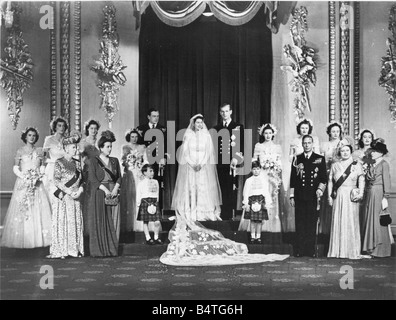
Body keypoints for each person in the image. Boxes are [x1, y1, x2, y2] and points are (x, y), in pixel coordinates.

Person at [1, 127, 52, 249]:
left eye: (34, 135)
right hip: (23, 183)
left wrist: (39, 175)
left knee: (37, 208)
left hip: (37, 183)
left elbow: (42, 165)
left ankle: (39, 239)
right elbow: (15, 167)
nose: (32, 137)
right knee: (25, 209)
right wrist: (24, 177)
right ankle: (24, 239)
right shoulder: (20, 151)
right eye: (30, 135)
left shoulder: (39, 151)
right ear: (25, 137)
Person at [172, 114, 222, 221]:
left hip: (202, 167)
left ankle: (202, 212)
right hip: (191, 166)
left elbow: (208, 152)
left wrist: (202, 163)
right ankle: (190, 211)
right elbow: (185, 152)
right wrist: (191, 163)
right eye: (197, 122)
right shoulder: (188, 135)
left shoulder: (206, 136)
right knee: (191, 187)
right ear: (193, 124)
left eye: (201, 122)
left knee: (202, 188)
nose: (199, 124)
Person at [327, 138, 367, 259]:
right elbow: (329, 181)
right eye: (342, 151)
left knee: (350, 221)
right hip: (339, 195)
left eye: (347, 150)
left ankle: (351, 251)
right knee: (338, 220)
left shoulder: (356, 164)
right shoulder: (335, 165)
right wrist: (329, 196)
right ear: (339, 152)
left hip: (351, 195)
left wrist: (360, 193)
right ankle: (337, 251)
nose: (345, 152)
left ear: (351, 151)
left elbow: (361, 179)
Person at [47, 131, 84, 259]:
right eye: (74, 147)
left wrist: (79, 191)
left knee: (75, 223)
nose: (76, 149)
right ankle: (63, 250)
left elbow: (82, 180)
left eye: (76, 147)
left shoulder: (78, 163)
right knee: (64, 223)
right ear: (66, 148)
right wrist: (69, 192)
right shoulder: (59, 162)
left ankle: (75, 250)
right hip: (63, 196)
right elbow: (56, 180)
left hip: (76, 197)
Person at [290, 135, 327, 257]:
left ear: (312, 144)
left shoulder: (320, 159)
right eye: (304, 143)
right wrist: (291, 196)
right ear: (302, 144)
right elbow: (293, 179)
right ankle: (300, 249)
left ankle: (310, 250)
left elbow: (323, 178)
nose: (306, 145)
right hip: (300, 196)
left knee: (311, 223)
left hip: (313, 197)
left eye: (309, 143)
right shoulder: (297, 158)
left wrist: (320, 191)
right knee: (300, 223)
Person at [85, 130, 121, 257]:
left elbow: (119, 177)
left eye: (111, 146)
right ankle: (101, 250)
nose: (110, 149)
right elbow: (93, 179)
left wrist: (115, 189)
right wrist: (106, 191)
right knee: (101, 221)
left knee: (113, 221)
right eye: (107, 146)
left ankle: (112, 249)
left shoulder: (115, 161)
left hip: (113, 191)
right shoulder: (94, 161)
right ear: (101, 147)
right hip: (100, 193)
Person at [244, 123, 282, 232]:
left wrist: (275, 166)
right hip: (262, 175)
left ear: (273, 134)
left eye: (270, 133)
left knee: (272, 197)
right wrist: (261, 167)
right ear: (263, 134)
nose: (268, 135)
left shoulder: (277, 147)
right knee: (260, 197)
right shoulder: (259, 146)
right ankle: (258, 224)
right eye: (266, 133)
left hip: (273, 176)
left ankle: (272, 225)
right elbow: (254, 161)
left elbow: (279, 162)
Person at [212, 103, 244, 220]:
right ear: (220, 113)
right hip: (220, 163)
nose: (224, 114)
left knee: (232, 187)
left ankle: (230, 215)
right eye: (222, 112)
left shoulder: (238, 126)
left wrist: (236, 157)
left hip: (232, 163)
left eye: (227, 111)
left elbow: (241, 144)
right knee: (220, 187)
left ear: (231, 112)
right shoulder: (216, 128)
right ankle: (221, 213)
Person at [362, 139, 392, 258]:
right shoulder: (371, 163)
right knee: (370, 218)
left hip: (379, 193)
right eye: (372, 151)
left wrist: (386, 196)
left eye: (375, 151)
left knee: (378, 219)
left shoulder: (384, 164)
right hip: (370, 193)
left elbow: (387, 181)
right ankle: (370, 249)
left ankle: (380, 250)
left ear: (381, 152)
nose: (372, 153)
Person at [120, 128, 148, 233]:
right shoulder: (125, 147)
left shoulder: (142, 147)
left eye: (136, 137)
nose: (134, 139)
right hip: (129, 174)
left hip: (139, 174)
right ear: (129, 137)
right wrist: (128, 164)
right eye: (132, 137)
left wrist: (142, 169)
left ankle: (140, 225)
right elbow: (122, 161)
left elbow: (145, 161)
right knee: (129, 198)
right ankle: (129, 224)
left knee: (139, 198)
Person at [319, 121, 343, 235]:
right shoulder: (325, 145)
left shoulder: (343, 144)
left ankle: (339, 232)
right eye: (333, 131)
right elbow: (321, 161)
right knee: (328, 202)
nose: (335, 133)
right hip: (328, 173)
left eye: (337, 131)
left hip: (340, 175)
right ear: (329, 132)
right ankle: (327, 232)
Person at [240, 161, 272, 244]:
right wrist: (246, 203)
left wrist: (267, 202)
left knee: (259, 220)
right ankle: (252, 236)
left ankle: (258, 236)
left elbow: (266, 191)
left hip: (261, 200)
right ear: (251, 170)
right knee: (253, 220)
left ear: (260, 169)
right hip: (252, 200)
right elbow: (245, 192)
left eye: (258, 169)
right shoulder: (248, 180)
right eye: (254, 169)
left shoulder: (263, 180)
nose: (256, 171)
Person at [79, 119, 100, 236]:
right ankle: (88, 227)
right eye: (91, 128)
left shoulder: (99, 142)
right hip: (88, 171)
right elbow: (83, 158)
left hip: (99, 172)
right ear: (87, 129)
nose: (93, 130)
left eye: (95, 128)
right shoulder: (83, 142)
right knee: (89, 198)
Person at [43, 116, 68, 202]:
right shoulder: (49, 140)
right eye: (59, 125)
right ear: (55, 127)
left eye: (63, 126)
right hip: (52, 169)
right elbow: (44, 158)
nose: (62, 128)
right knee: (52, 193)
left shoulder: (67, 140)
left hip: (65, 169)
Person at [136, 164, 162, 244]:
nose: (152, 172)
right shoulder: (141, 183)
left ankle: (156, 237)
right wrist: (138, 203)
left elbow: (157, 192)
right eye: (150, 171)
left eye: (153, 171)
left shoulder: (155, 182)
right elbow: (138, 193)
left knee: (157, 221)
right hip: (145, 201)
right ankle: (148, 238)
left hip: (154, 201)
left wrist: (157, 201)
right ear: (144, 172)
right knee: (145, 221)